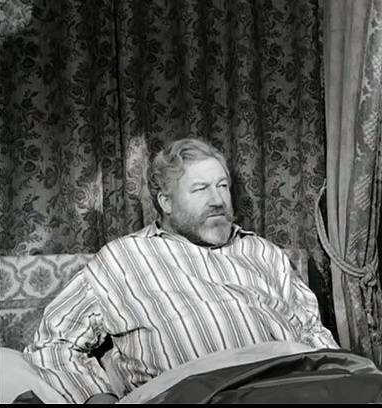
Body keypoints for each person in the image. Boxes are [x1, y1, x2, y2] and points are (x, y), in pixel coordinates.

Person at [22, 138, 339, 404]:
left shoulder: (263, 253)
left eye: (223, 186)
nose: (217, 200)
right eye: (201, 189)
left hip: (293, 389)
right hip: (192, 395)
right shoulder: (121, 260)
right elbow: (52, 343)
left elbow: (312, 333)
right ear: (166, 202)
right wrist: (97, 397)